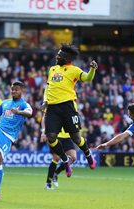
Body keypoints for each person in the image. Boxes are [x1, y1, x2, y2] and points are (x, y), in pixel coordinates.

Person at [41, 43, 97, 176]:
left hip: (67, 107)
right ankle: (65, 160)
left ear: (66, 58)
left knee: (76, 138)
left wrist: (92, 70)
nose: (57, 56)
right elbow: (48, 88)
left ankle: (88, 154)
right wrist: (45, 101)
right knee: (51, 137)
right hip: (53, 108)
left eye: (59, 55)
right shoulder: (52, 69)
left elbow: (88, 78)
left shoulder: (74, 70)